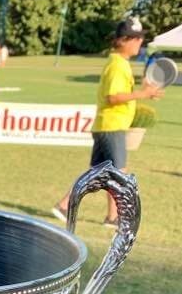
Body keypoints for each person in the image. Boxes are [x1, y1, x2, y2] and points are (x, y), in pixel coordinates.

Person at [52, 17, 163, 228]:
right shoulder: (117, 65)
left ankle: (93, 213)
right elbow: (113, 97)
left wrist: (143, 90)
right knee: (118, 173)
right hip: (112, 127)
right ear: (124, 40)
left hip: (107, 126)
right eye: (137, 38)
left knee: (100, 172)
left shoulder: (119, 63)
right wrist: (143, 93)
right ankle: (110, 217)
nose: (140, 43)